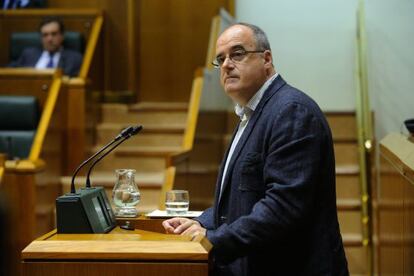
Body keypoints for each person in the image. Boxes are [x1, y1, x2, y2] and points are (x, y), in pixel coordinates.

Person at [162, 23, 349, 275]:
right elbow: (243, 201)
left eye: (237, 54)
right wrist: (198, 223)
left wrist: (213, 239)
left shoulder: (291, 112)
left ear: (267, 59)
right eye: (221, 59)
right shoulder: (251, 114)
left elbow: (283, 207)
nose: (227, 64)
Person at [9, 16, 82, 77]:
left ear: (62, 36)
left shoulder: (74, 59)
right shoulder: (28, 54)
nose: (49, 39)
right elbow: (9, 71)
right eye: (45, 35)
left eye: (54, 34)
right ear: (41, 38)